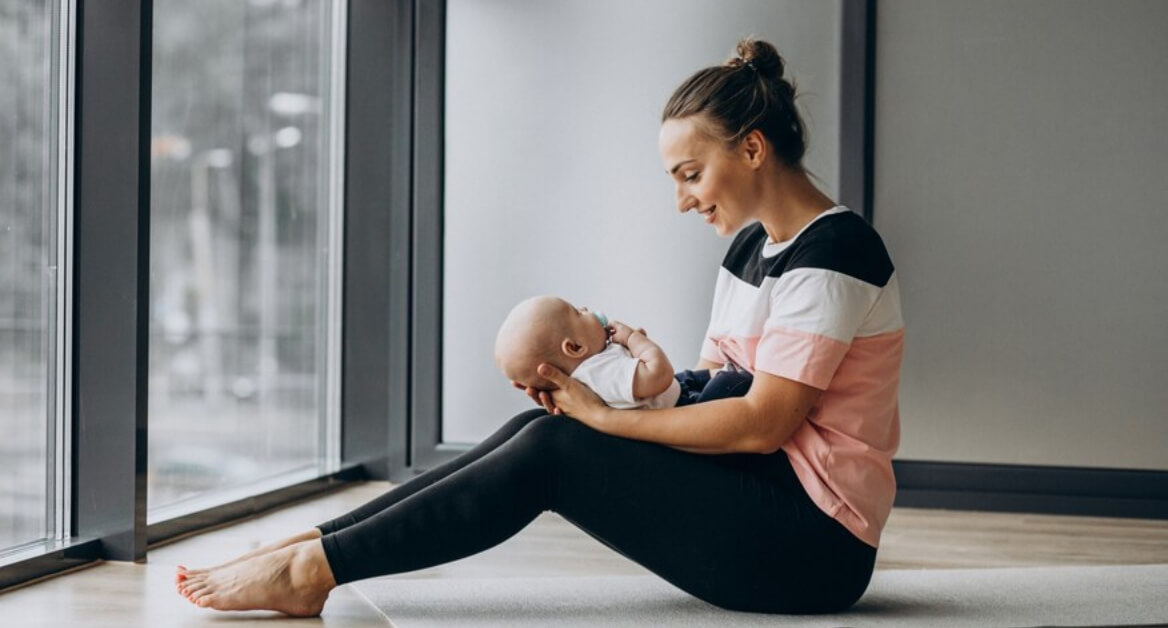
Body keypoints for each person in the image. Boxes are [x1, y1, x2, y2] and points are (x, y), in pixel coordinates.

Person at [175, 37, 903, 616]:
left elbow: (759, 425)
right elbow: (714, 385)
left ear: (752, 148)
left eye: (689, 173)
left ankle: (311, 568)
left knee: (559, 447)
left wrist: (605, 422)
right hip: (759, 495)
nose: (681, 200)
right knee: (544, 431)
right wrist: (611, 386)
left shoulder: (834, 253)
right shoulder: (752, 245)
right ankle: (318, 545)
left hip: (812, 547)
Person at [493, 294, 752, 410]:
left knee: (694, 377)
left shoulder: (592, 369)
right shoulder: (600, 373)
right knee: (731, 383)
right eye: (577, 311)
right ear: (574, 348)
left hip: (673, 393)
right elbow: (659, 374)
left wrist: (631, 349)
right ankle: (742, 378)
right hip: (680, 408)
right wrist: (635, 339)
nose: (585, 308)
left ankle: (720, 374)